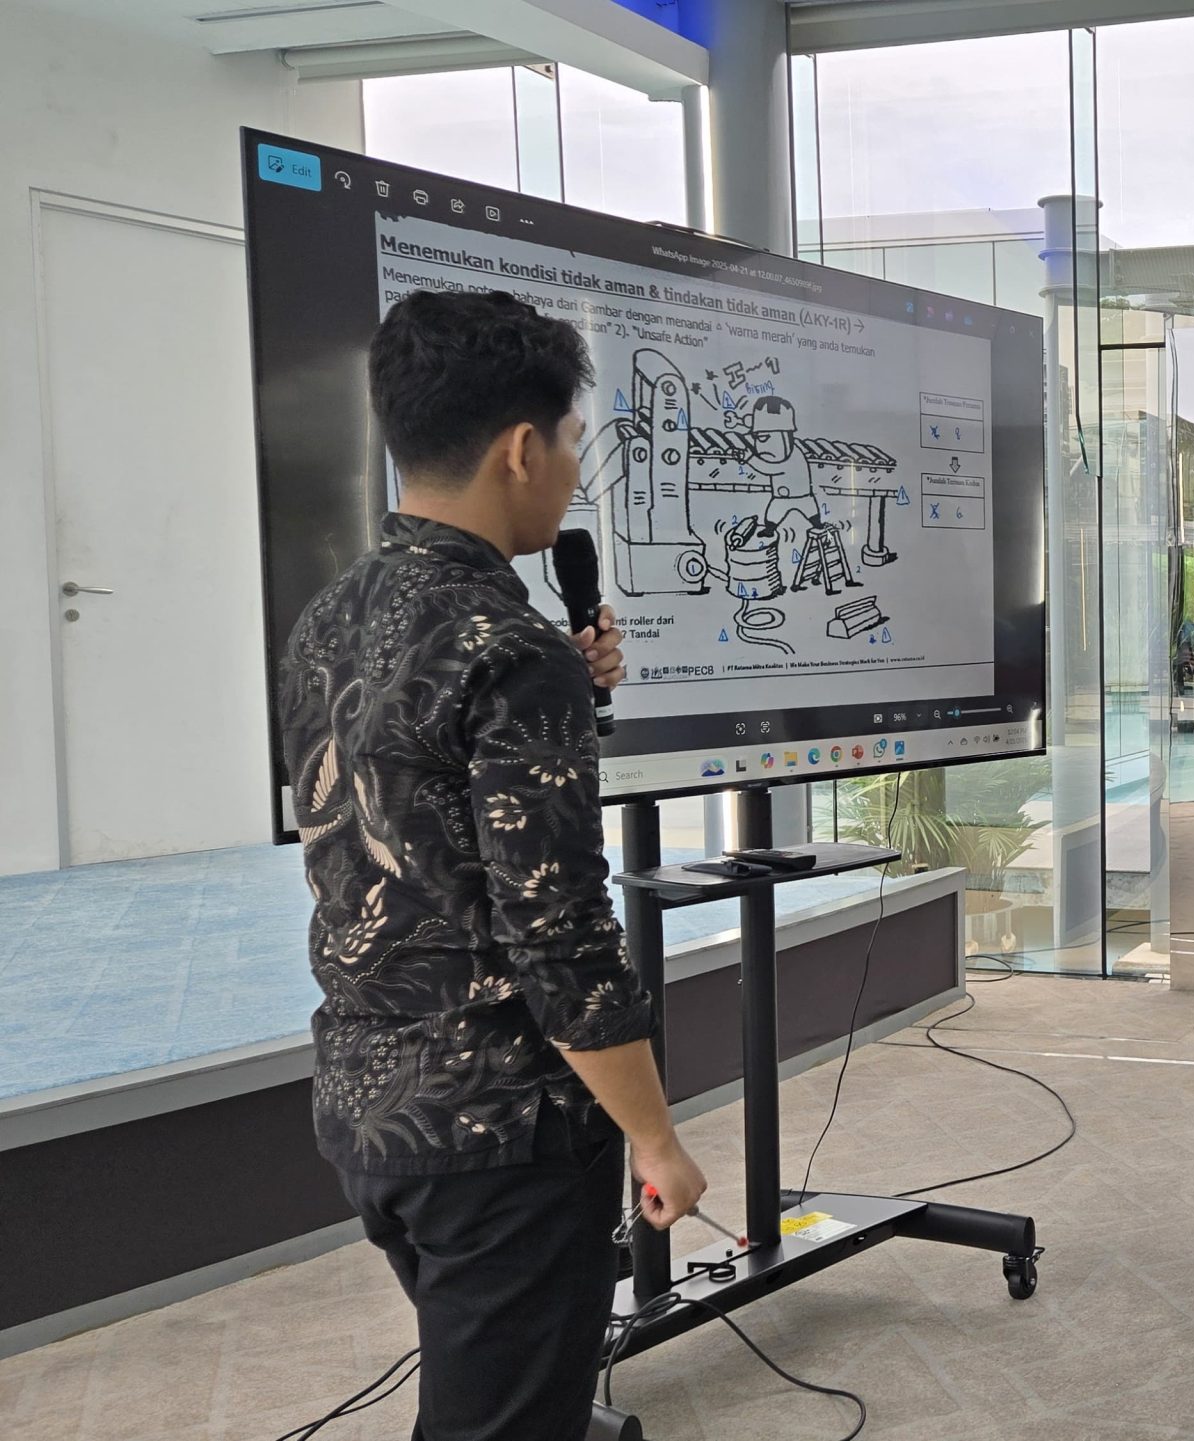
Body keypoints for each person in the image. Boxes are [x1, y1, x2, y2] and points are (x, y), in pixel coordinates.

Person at [278, 289, 707, 1441]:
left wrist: (566, 688)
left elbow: (403, 811)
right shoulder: (511, 652)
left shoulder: (326, 621)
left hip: (367, 1108)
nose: (571, 471)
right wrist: (656, 1137)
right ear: (521, 448)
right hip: (503, 1131)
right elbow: (557, 932)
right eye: (570, 442)